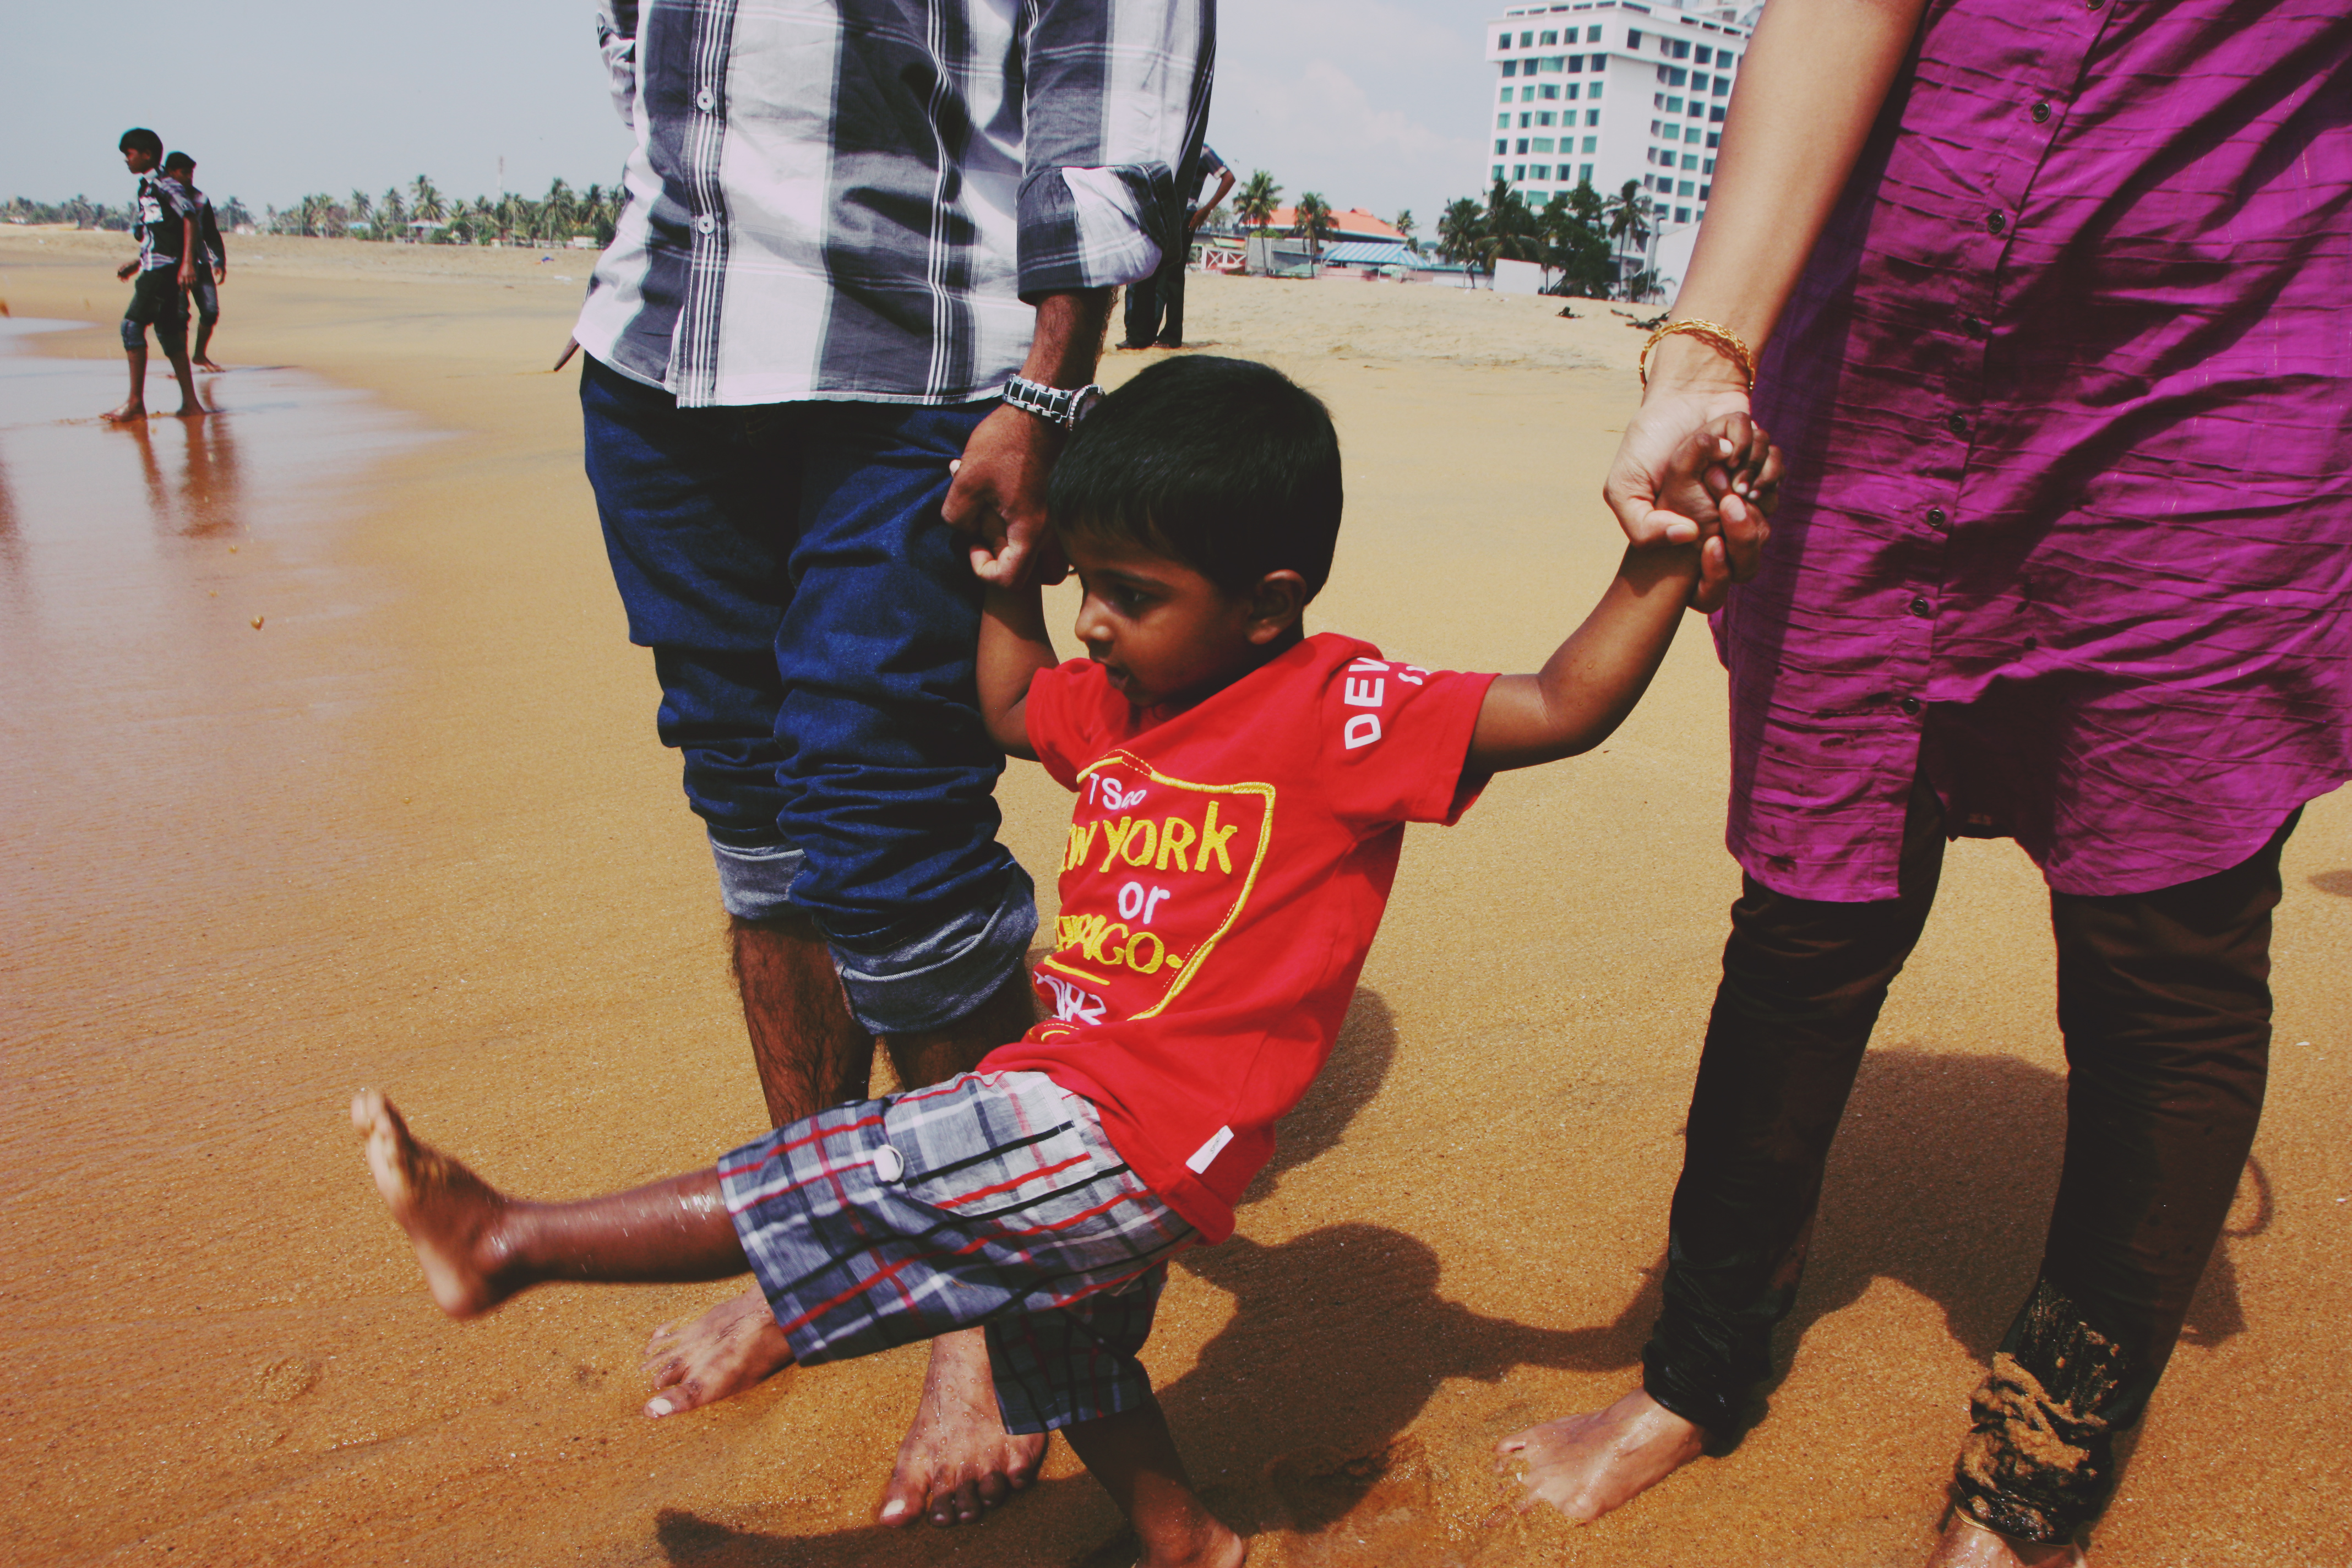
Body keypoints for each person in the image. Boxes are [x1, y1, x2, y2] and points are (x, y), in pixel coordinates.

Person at [357, 354, 1779, 1566]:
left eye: (1130, 590)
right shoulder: (1122, 694)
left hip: (1147, 1124)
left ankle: (511, 1242)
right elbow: (1007, 707)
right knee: (1066, 1355)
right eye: (1090, 584)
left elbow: (1560, 705)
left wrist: (1660, 558)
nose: (1099, 620)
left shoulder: (1340, 704)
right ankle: (1192, 1544)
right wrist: (1014, 584)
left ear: (1268, 601)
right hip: (1070, 1084)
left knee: (875, 1158)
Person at [1495, 2, 2352, 1564]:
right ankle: (1698, 1365)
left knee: (2165, 935)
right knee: (1813, 901)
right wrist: (1704, 349)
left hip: (2222, 368)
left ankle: (2037, 1476)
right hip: (1883, 363)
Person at [568, 0, 1213, 1530]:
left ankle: (985, 1321)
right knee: (757, 818)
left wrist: (1052, 389)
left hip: (932, 360)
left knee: (888, 829)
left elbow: (1111, 99)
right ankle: (825, 1238)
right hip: (668, 344)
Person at [105, 128, 204, 422]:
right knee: (169, 333)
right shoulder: (145, 189)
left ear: (147, 154)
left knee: (131, 328)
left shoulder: (166, 185)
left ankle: (136, 403)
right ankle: (191, 404)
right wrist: (138, 262)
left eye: (129, 154)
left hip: (165, 270)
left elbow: (189, 219)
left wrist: (187, 263)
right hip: (155, 265)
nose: (126, 159)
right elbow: (162, 234)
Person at [1120, 143, 1233, 350]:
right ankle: (1140, 335)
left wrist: (1207, 209)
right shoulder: (1165, 144)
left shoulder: (1201, 149)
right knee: (1148, 273)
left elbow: (1228, 178)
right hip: (1159, 211)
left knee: (1172, 275)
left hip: (1185, 214)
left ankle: (1171, 335)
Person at [161, 152, 226, 373]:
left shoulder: (200, 199)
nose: (190, 177)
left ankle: (199, 355)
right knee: (180, 316)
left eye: (191, 173)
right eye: (185, 173)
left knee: (210, 311)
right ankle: (180, 365)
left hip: (200, 263)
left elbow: (211, 231)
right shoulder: (162, 196)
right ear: (171, 173)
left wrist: (220, 260)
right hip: (173, 264)